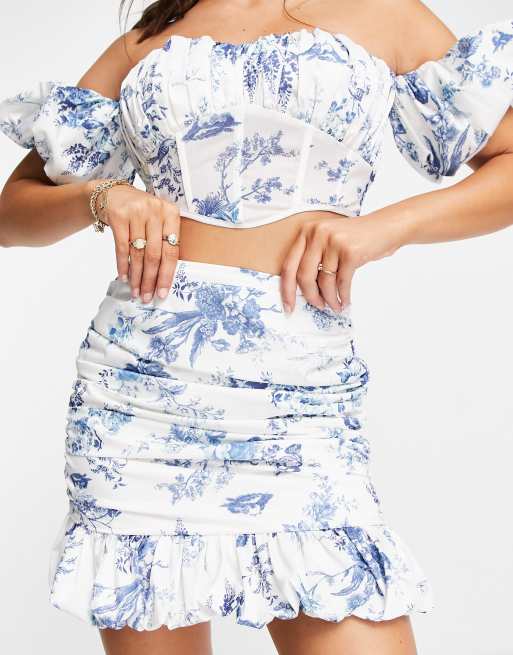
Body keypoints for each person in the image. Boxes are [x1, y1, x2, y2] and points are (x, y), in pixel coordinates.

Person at [0, 1, 512, 653]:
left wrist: (387, 227)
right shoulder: (150, 41)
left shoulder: (383, 13)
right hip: (141, 407)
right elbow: (12, 215)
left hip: (303, 402)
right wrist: (102, 197)